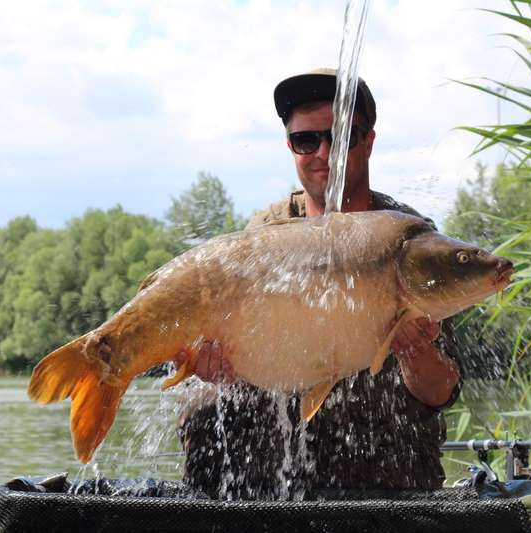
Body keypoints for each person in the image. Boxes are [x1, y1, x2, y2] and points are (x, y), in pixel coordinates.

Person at [177, 69, 462, 499]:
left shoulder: (413, 242)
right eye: (306, 140)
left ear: (368, 141)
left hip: (390, 466)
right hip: (284, 462)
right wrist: (220, 369)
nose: (324, 153)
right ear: (290, 147)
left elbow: (441, 391)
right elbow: (235, 360)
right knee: (202, 402)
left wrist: (414, 350)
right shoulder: (265, 234)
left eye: (341, 138)